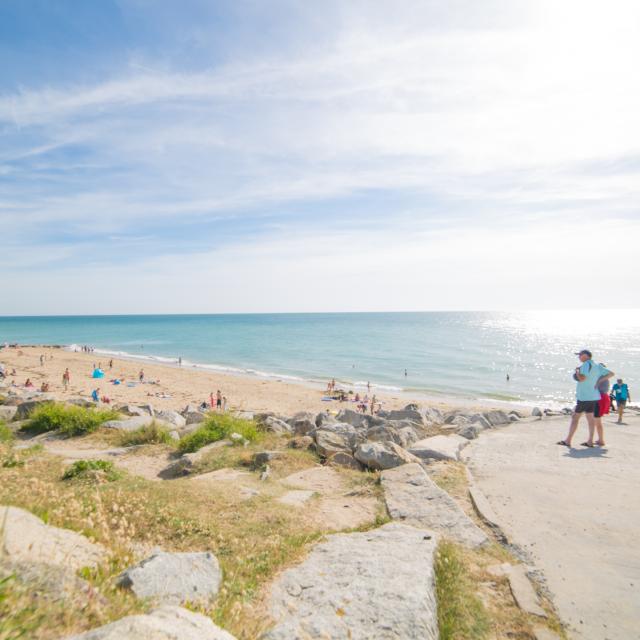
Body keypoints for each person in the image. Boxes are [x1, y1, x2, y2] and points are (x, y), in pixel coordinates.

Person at [557, 349, 613, 448]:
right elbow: (611, 374)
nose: (579, 357)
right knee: (590, 419)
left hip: (584, 397)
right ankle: (590, 441)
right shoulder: (597, 365)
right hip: (594, 396)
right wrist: (599, 381)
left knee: (575, 418)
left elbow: (582, 378)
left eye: (580, 355)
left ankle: (568, 440)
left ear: (585, 355)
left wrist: (577, 372)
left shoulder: (586, 364)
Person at [594, 365, 611, 446]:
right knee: (597, 421)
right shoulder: (605, 378)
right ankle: (600, 439)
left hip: (600, 398)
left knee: (597, 421)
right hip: (604, 397)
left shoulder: (600, 378)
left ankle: (601, 440)